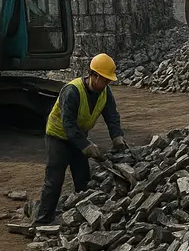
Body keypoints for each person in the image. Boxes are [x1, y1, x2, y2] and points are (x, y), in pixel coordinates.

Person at [34, 53, 128, 225]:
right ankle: (42, 221)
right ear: (94, 75)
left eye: (109, 80)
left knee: (83, 179)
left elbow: (112, 115)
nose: (107, 83)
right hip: (58, 137)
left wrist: (117, 136)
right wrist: (87, 146)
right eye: (105, 79)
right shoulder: (72, 91)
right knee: (54, 180)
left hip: (78, 137)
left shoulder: (104, 92)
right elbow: (68, 126)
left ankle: (80, 220)